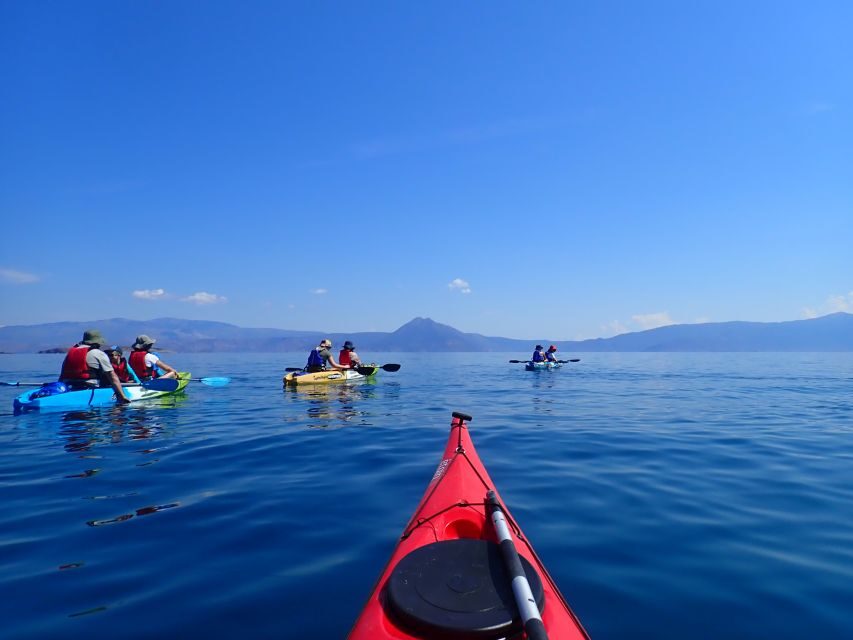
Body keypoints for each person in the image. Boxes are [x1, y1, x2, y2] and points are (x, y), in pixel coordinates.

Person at [59, 329, 131, 403]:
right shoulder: (98, 353)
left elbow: (62, 376)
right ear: (98, 342)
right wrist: (122, 396)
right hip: (89, 387)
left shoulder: (70, 353)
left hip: (69, 386)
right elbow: (112, 376)